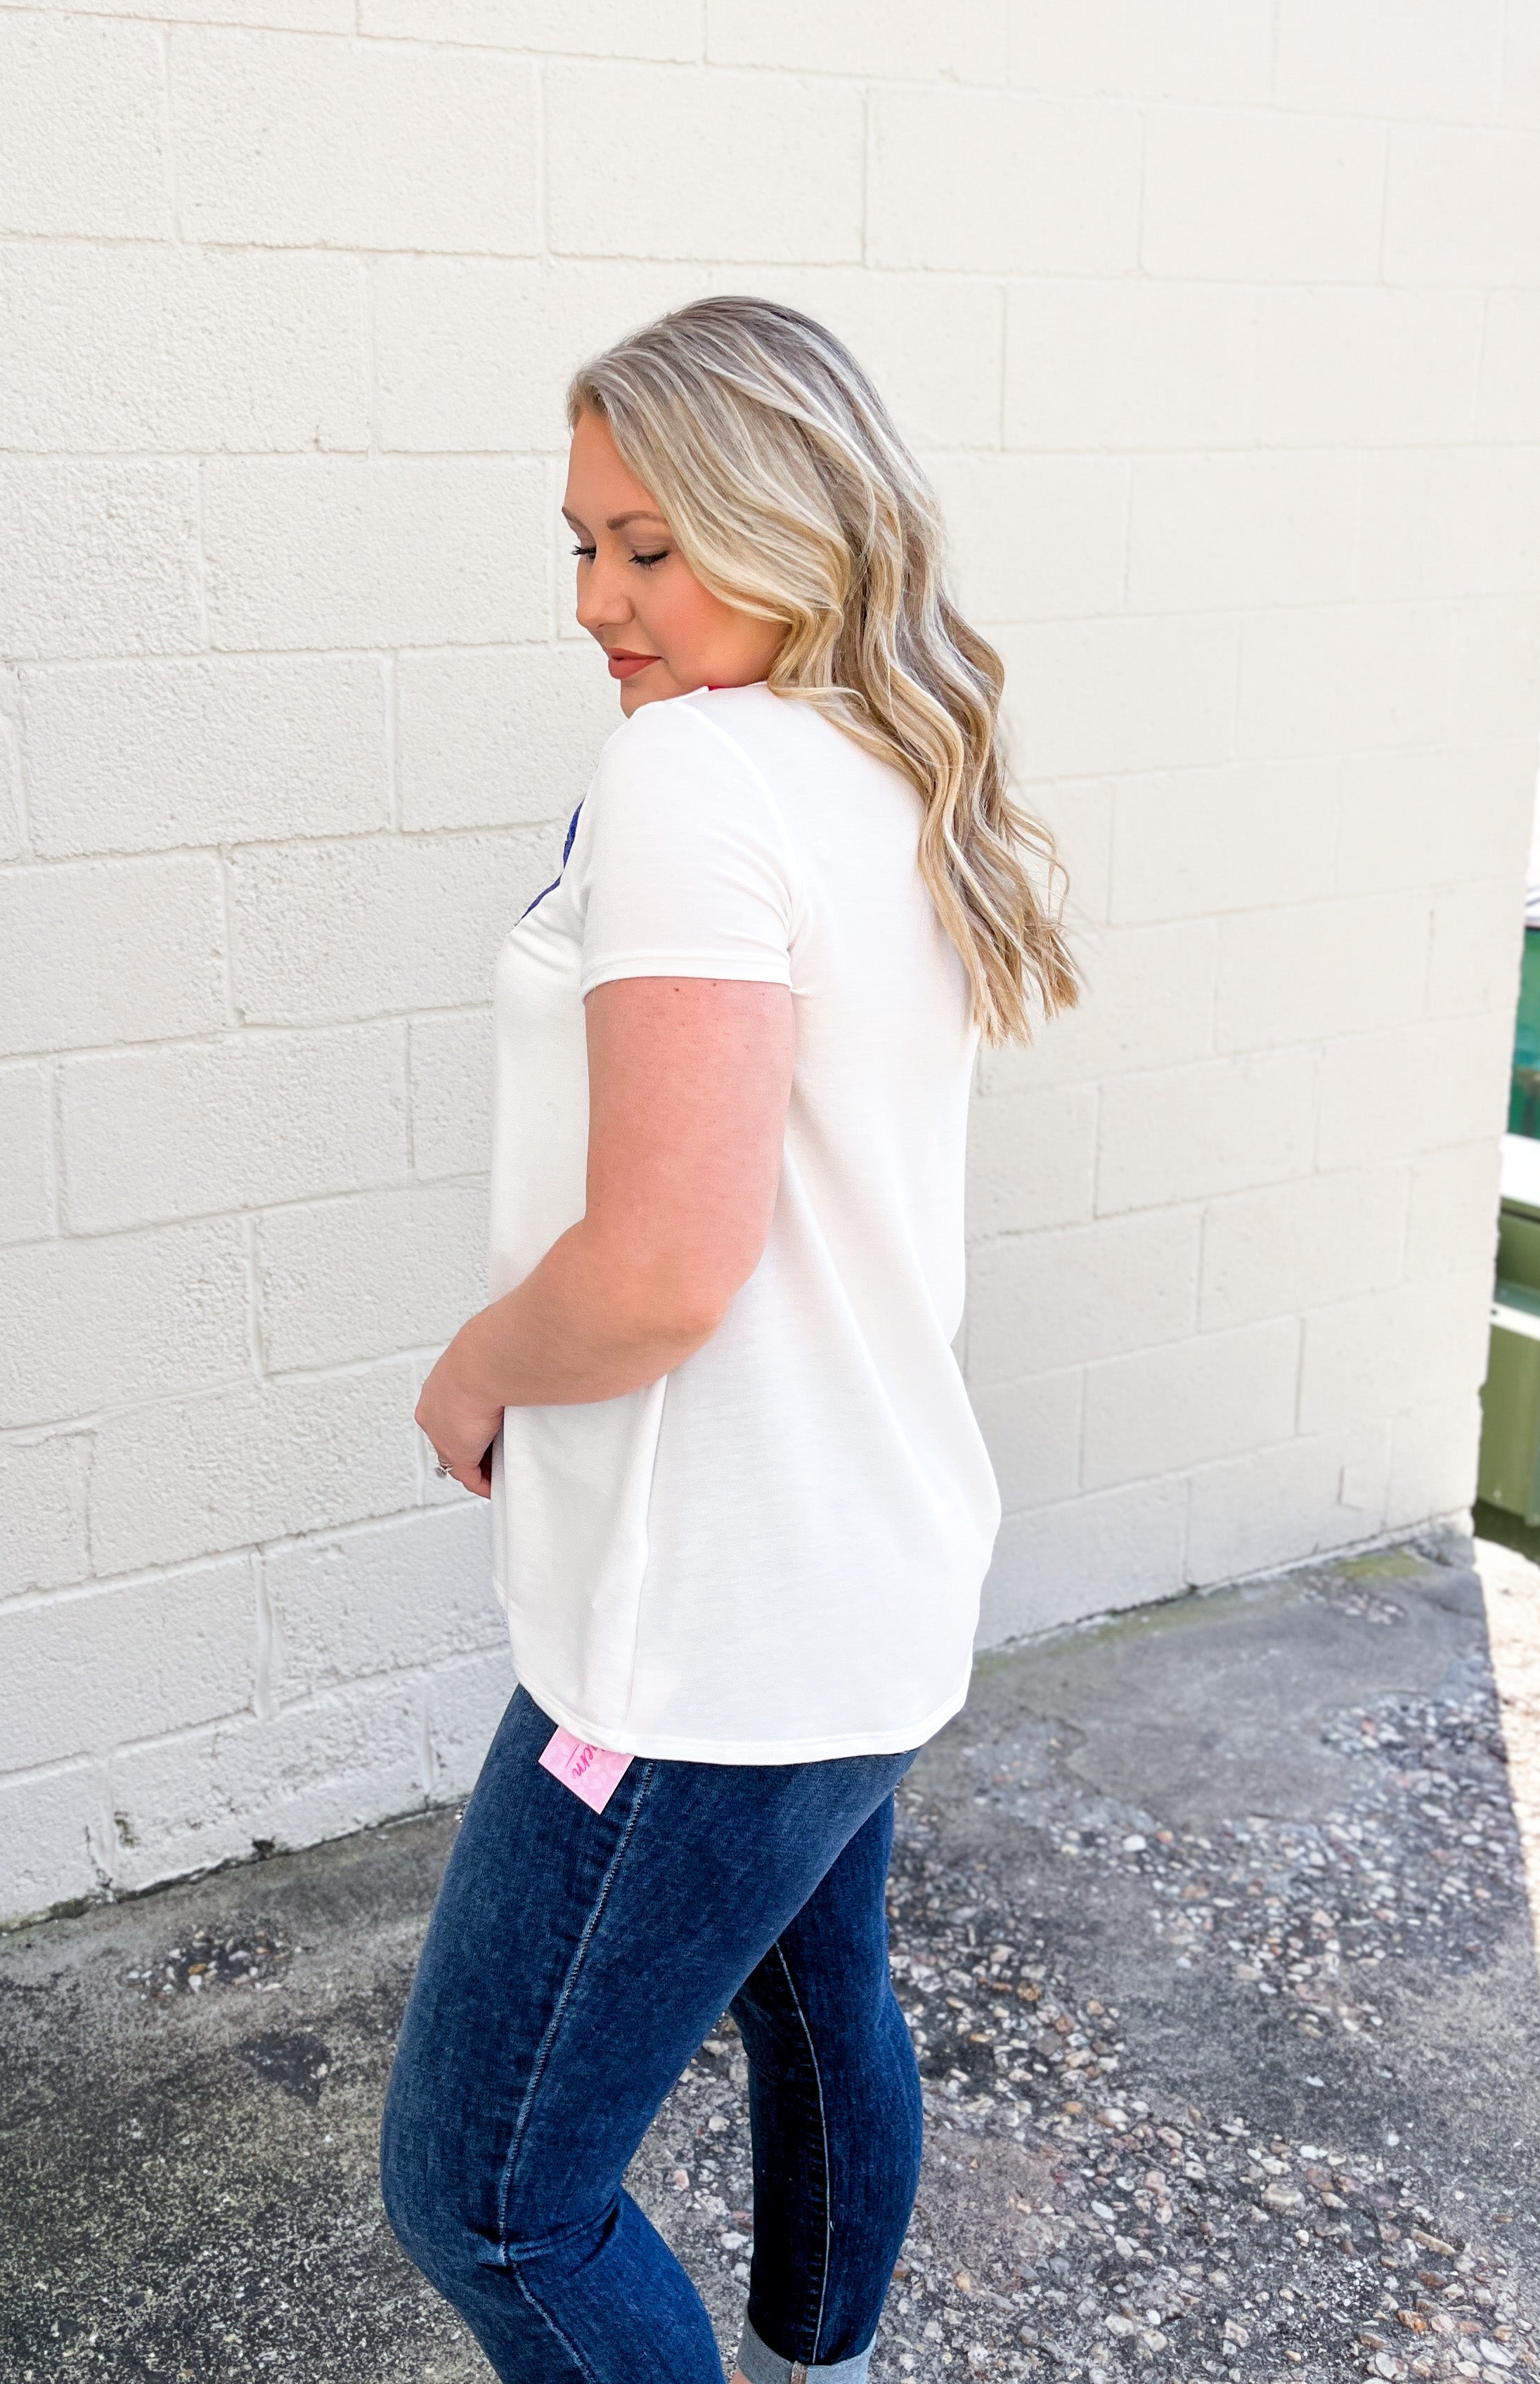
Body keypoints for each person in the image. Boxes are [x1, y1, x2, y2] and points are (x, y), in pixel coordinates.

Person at [380, 295, 1078, 2384]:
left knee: (492, 2198)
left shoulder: (693, 769)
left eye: (651, 547)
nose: (598, 599)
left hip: (709, 1630)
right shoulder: (891, 761)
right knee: (815, 2003)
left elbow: (669, 1263)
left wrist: (479, 1364)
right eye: (580, 542)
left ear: (794, 520)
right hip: (866, 1573)